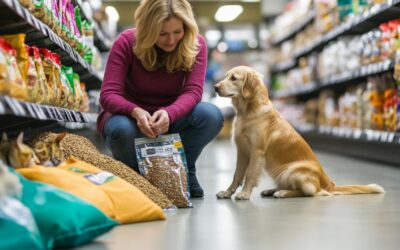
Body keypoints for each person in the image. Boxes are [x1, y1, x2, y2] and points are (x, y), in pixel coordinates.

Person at [97, 0, 224, 198]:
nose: (171, 40)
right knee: (120, 130)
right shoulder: (125, 42)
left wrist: (169, 113)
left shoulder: (195, 44)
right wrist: (135, 111)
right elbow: (108, 94)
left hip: (171, 117)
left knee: (211, 115)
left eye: (177, 32)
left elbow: (193, 92)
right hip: (130, 119)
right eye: (162, 33)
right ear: (147, 29)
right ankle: (137, 176)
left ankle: (184, 169)